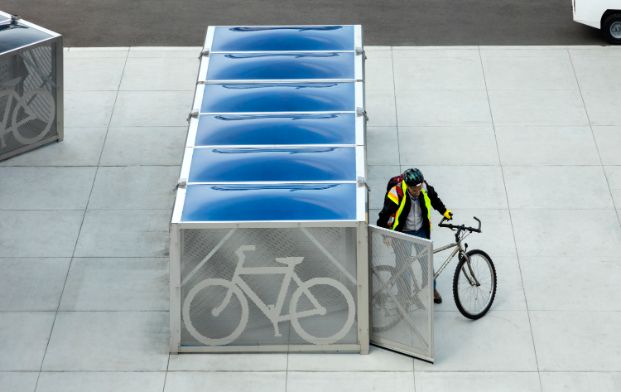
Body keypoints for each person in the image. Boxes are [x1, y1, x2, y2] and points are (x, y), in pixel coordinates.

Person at [377, 168, 452, 304]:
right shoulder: (396, 193)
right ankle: (404, 294)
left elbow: (435, 200)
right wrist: (386, 235)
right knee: (402, 265)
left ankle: (430, 290)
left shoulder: (424, 187)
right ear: (407, 185)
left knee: (426, 263)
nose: (417, 191)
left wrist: (444, 211)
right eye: (414, 189)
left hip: (421, 231)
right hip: (403, 233)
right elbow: (383, 216)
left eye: (419, 187)